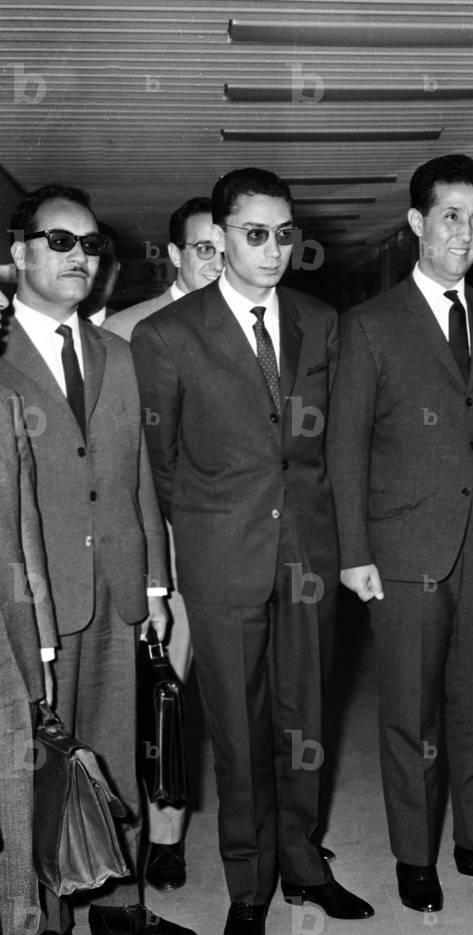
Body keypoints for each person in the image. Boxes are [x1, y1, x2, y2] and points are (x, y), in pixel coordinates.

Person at [132, 167, 372, 935]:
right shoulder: (167, 334)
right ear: (221, 235)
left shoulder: (319, 320)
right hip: (222, 559)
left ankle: (304, 862)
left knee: (306, 722)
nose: (273, 250)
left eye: (283, 234)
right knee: (237, 732)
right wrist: (202, 538)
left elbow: (335, 445)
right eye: (254, 234)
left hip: (307, 554)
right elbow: (163, 464)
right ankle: (249, 883)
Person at [334, 154, 473, 913]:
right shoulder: (369, 326)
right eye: (451, 215)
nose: (466, 232)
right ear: (418, 224)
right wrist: (353, 551)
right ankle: (414, 853)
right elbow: (346, 447)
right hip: (404, 554)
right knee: (412, 714)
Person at [0, 184, 196, 935]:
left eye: (91, 246)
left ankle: (123, 900)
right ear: (19, 256)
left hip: (118, 589)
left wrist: (155, 582)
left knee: (121, 754)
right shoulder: (2, 356)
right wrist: (32, 615)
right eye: (60, 242)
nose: (79, 258)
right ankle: (52, 922)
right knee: (48, 767)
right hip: (39, 599)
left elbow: (138, 475)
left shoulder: (118, 351)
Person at [105, 196, 224, 893]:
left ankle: (271, 833)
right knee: (164, 698)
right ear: (174, 254)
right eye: (202, 248)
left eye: (224, 245)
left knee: (249, 697)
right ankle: (165, 840)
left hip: (240, 544)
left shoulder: (256, 324)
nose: (216, 260)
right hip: (165, 551)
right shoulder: (125, 333)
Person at [0, 282, 61, 935]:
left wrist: (40, 642)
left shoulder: (7, 408)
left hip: (7, 651)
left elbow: (22, 536)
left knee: (13, 812)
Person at [105, 196, 223, 339]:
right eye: (205, 249)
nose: (219, 265)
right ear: (176, 255)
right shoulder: (125, 328)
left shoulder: (248, 322)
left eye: (227, 251)